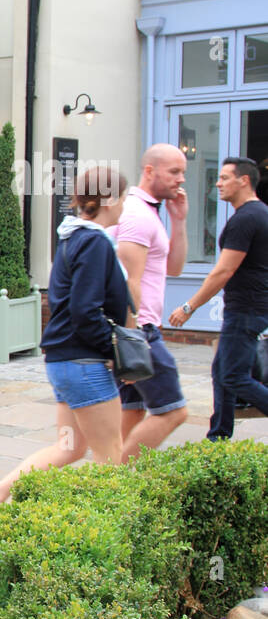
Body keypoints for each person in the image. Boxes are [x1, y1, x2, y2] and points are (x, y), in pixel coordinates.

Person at [0, 167, 130, 520]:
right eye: (124, 198)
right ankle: (106, 532)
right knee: (110, 454)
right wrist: (112, 350)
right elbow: (85, 310)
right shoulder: (95, 241)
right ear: (110, 199)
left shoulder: (71, 237)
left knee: (69, 448)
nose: (124, 207)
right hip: (85, 364)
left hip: (64, 362)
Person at [168, 157, 268, 440]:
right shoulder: (259, 214)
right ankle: (219, 437)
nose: (218, 183)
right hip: (249, 307)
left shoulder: (247, 218)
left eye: (224, 178)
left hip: (246, 309)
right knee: (222, 371)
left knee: (234, 376)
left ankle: (219, 435)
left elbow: (223, 271)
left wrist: (189, 307)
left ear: (244, 180)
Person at [108, 144, 190, 460]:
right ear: (150, 171)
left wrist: (179, 222)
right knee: (173, 412)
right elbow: (129, 281)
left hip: (136, 330)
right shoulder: (138, 215)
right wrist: (133, 340)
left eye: (183, 172)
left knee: (131, 413)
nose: (181, 179)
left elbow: (174, 268)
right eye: (174, 171)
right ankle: (111, 482)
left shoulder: (150, 213)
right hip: (140, 331)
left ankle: (105, 481)